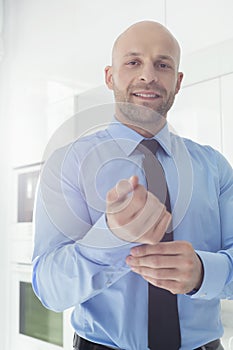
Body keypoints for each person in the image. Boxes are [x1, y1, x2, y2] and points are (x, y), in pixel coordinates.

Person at [32, 21, 233, 350]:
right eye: (133, 62)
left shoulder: (215, 166)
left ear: (178, 82)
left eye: (163, 65)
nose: (148, 76)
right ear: (110, 76)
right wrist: (111, 236)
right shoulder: (67, 164)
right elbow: (50, 291)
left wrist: (203, 273)